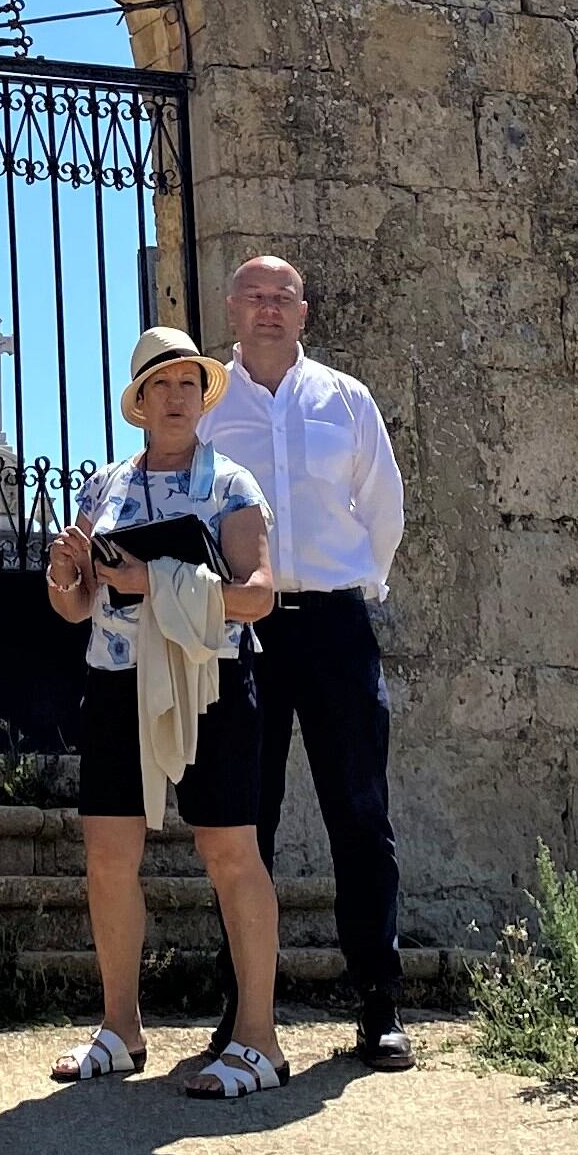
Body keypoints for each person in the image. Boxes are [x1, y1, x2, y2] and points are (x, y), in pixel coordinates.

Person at [42, 326, 287, 1100]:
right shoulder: (105, 487)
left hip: (210, 677)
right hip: (118, 678)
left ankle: (259, 1039)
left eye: (189, 384)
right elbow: (78, 605)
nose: (176, 397)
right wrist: (63, 574)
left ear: (202, 398)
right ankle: (121, 1028)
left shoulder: (232, 483)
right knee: (108, 855)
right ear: (140, 403)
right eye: (162, 385)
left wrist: (156, 581)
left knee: (229, 850)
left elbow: (259, 595)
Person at [197, 254, 413, 1069]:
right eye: (253, 296)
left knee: (359, 810)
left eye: (281, 296)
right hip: (242, 630)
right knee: (243, 820)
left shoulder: (345, 399)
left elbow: (382, 503)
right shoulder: (208, 403)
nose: (268, 308)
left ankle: (378, 1001)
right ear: (231, 307)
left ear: (303, 310)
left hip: (333, 626)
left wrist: (359, 587)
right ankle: (243, 1005)